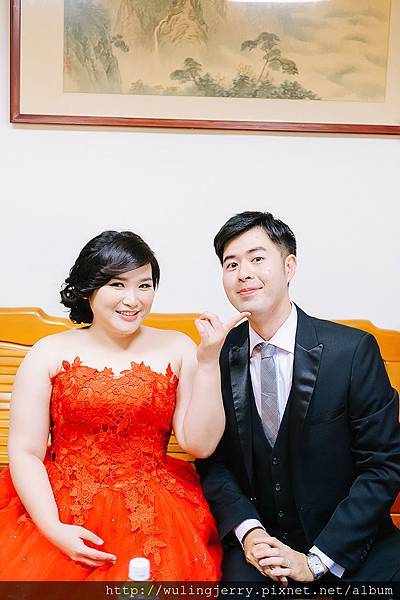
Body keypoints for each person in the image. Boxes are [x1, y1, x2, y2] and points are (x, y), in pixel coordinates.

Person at [0, 230, 247, 581]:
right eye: (117, 285)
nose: (133, 300)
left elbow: (200, 445)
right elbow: (26, 452)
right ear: (89, 288)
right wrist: (54, 528)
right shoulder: (48, 352)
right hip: (56, 503)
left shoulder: (178, 347)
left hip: (153, 510)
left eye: (144, 286)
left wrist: (208, 364)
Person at [196, 211, 400, 584]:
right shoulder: (217, 357)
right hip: (262, 545)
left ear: (289, 266)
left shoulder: (352, 352)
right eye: (231, 264)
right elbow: (214, 463)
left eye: (257, 258)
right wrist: (250, 534)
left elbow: (384, 464)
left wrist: (317, 561)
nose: (243, 273)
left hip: (350, 545)